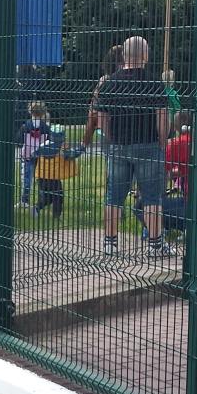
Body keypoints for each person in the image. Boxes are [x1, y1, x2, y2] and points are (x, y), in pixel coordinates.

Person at [84, 34, 172, 259]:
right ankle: (155, 245)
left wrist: (112, 138)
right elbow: (162, 118)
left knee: (114, 196)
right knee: (152, 197)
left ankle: (110, 243)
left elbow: (102, 118)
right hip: (148, 144)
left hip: (118, 146)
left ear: (124, 54)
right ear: (145, 55)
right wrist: (162, 142)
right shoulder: (154, 83)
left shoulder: (110, 83)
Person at [17, 101, 49, 208]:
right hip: (41, 156)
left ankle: (24, 200)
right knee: (41, 179)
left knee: (27, 179)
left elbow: (19, 140)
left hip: (27, 155)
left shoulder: (25, 126)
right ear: (43, 112)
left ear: (30, 111)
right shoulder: (45, 127)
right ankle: (41, 201)